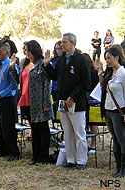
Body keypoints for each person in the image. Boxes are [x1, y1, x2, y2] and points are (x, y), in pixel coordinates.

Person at [44, 33, 91, 170]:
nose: (62, 44)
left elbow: (86, 82)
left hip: (76, 103)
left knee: (79, 132)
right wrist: (47, 64)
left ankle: (82, 160)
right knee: (68, 132)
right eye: (61, 42)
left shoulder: (80, 60)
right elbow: (55, 77)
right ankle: (71, 159)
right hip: (62, 101)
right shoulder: (61, 59)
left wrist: (73, 97)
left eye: (64, 42)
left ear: (72, 43)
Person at [9, 40, 53, 165]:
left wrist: (46, 103)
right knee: (34, 128)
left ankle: (43, 156)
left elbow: (46, 85)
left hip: (39, 101)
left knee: (42, 128)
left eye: (28, 50)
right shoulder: (24, 63)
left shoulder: (42, 64)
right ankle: (35, 155)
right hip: (26, 99)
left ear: (34, 50)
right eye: (24, 50)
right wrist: (12, 67)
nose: (26, 52)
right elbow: (19, 80)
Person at [97, 45, 125, 177]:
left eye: (109, 58)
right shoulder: (109, 72)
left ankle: (123, 169)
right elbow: (104, 89)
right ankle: (118, 167)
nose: (107, 61)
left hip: (118, 111)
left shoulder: (122, 73)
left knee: (121, 139)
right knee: (115, 139)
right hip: (108, 109)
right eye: (105, 58)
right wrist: (100, 75)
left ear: (117, 57)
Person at [82, 53, 100, 152]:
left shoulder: (92, 72)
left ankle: (93, 144)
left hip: (92, 98)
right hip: (83, 98)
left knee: (92, 123)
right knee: (84, 122)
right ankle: (85, 143)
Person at [51, 41, 63, 118]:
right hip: (54, 87)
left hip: (61, 87)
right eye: (56, 49)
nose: (58, 51)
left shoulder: (65, 59)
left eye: (59, 49)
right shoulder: (53, 60)